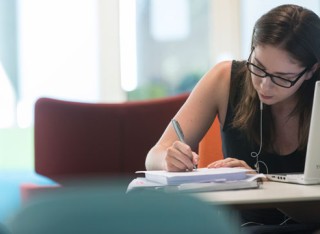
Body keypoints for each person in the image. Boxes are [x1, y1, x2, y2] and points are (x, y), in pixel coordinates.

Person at [145, 4, 320, 231]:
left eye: (282, 77)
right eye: (258, 67)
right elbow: (154, 156)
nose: (264, 85)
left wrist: (263, 183)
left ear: (310, 71)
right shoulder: (224, 79)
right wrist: (169, 159)